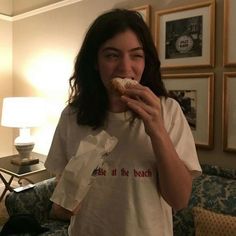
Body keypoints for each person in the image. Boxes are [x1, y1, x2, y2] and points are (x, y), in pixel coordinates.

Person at [45, 8, 202, 236]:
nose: (125, 68)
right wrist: (62, 206)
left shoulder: (168, 110)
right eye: (111, 55)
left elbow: (178, 200)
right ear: (95, 62)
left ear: (146, 61)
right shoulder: (72, 116)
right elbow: (63, 201)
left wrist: (156, 129)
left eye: (136, 55)